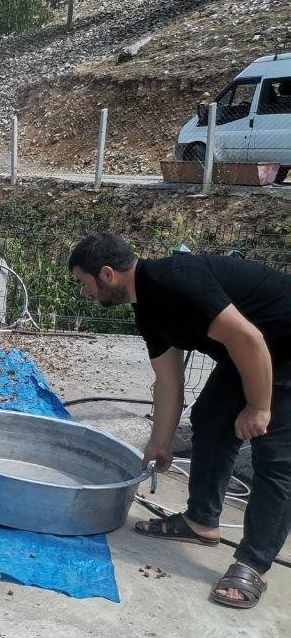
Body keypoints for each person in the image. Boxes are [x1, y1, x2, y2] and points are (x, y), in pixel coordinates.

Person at [69, 233, 291, 610]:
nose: (83, 291)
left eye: (82, 282)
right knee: (210, 418)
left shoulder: (176, 280)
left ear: (106, 274)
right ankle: (201, 521)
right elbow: (169, 382)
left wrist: (259, 406)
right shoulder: (148, 308)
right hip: (251, 352)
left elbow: (248, 336)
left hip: (282, 347)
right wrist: (161, 442)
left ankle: (253, 563)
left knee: (275, 456)